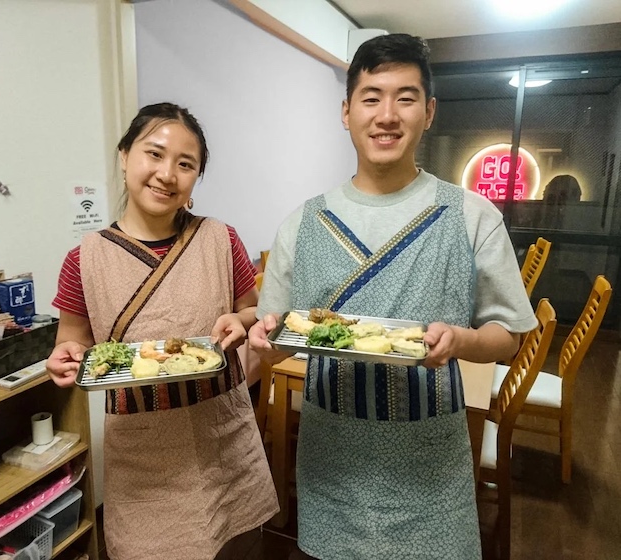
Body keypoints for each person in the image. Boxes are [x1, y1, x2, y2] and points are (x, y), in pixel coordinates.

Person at [249, 34, 537, 560]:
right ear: (346, 111)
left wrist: (464, 339)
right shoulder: (303, 222)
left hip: (433, 469)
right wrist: (262, 339)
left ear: (428, 112)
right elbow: (279, 339)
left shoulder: (471, 215)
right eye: (371, 96)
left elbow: (509, 339)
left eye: (405, 98)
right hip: (331, 463)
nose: (387, 115)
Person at [47, 103, 279, 560]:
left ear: (195, 179)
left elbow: (252, 311)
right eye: (154, 154)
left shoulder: (221, 239)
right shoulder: (84, 260)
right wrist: (66, 357)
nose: (167, 173)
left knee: (240, 549)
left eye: (185, 164)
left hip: (226, 445)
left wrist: (245, 320)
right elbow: (71, 341)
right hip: (143, 457)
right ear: (124, 155)